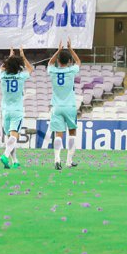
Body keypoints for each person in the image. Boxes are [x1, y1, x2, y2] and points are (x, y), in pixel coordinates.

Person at [48, 40, 82, 170]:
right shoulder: (71, 70)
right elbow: (78, 62)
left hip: (56, 107)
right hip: (70, 106)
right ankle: (69, 161)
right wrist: (70, 49)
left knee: (58, 134)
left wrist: (58, 50)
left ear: (58, 61)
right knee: (72, 132)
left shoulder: (52, 71)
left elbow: (50, 63)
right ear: (68, 61)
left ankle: (57, 159)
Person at [0, 47, 32, 169]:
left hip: (5, 110)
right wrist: (22, 56)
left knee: (9, 137)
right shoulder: (21, 76)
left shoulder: (2, 75)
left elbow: (2, 68)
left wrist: (10, 56)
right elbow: (30, 69)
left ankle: (15, 161)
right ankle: (5, 155)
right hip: (17, 111)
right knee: (14, 136)